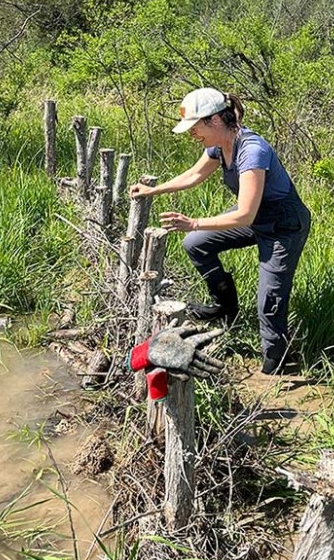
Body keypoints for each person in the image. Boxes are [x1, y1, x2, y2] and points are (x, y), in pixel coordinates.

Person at [129, 87, 311, 375]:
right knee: (196, 243)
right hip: (256, 217)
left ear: (214, 120)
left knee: (269, 300)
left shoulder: (252, 150)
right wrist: (154, 190)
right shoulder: (218, 146)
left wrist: (194, 222)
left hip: (283, 225)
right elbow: (194, 174)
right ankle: (225, 307)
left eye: (195, 127)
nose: (192, 134)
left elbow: (244, 214)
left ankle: (276, 363)